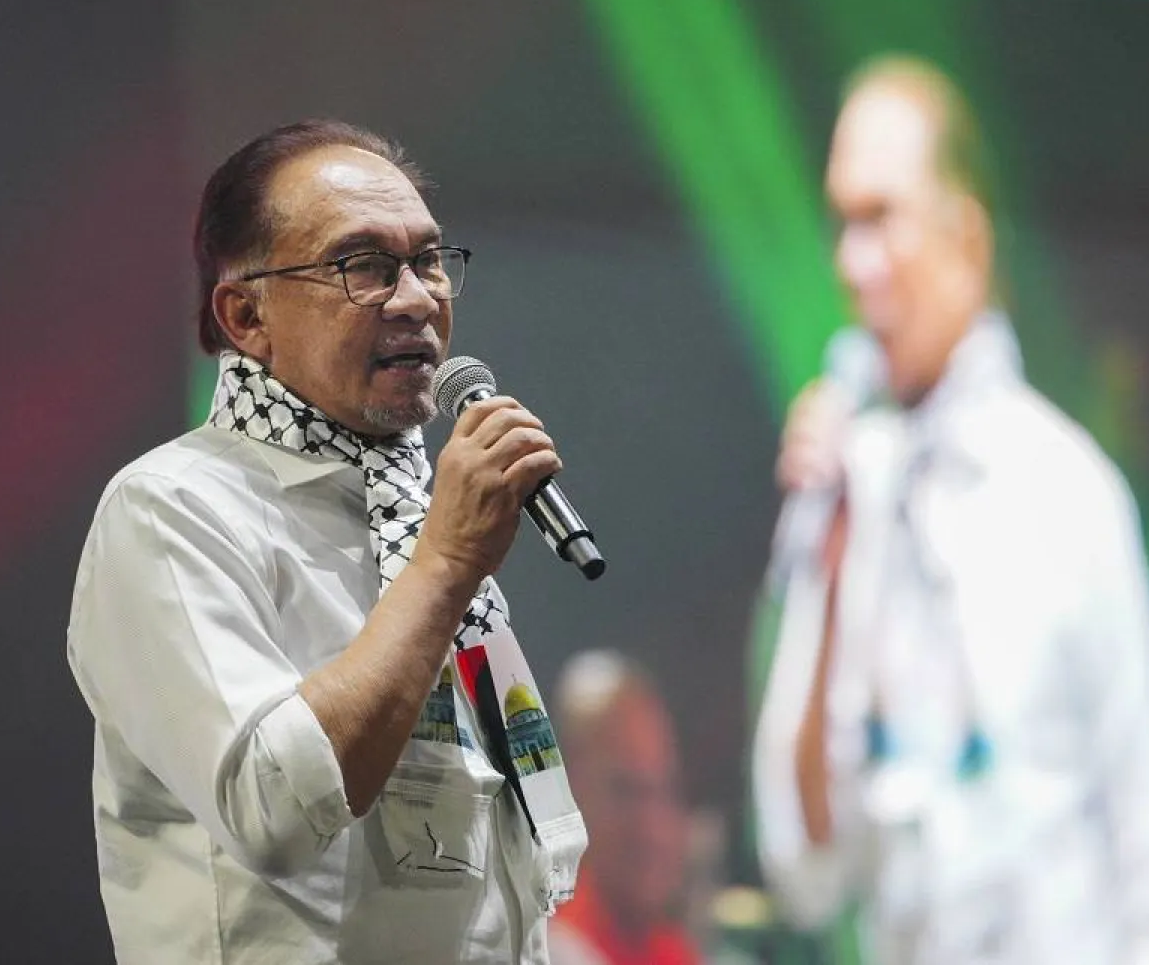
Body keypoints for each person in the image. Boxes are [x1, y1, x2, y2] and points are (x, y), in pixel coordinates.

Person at [66, 120, 586, 964]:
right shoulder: (171, 509)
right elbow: (271, 809)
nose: (417, 297)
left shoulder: (412, 507)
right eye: (365, 266)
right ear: (245, 313)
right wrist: (447, 564)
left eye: (427, 260)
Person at [751, 56, 1149, 964]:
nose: (852, 262)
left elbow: (1148, 849)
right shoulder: (851, 489)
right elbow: (804, 865)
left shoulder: (1068, 488)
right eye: (842, 222)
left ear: (967, 235)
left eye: (882, 220)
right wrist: (830, 570)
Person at [546, 651, 701, 965]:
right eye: (625, 792)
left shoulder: (672, 950)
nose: (652, 830)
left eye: (663, 791)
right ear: (568, 789)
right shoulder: (537, 948)